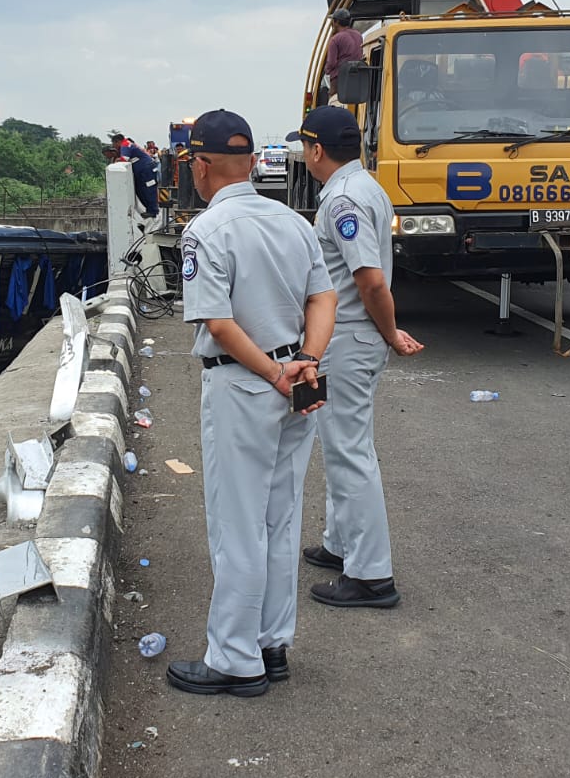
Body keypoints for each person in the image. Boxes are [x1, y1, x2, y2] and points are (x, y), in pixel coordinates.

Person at [168, 108, 337, 698]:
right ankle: (271, 643)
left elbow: (218, 323)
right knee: (280, 518)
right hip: (299, 376)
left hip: (245, 383)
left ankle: (235, 659)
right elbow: (323, 298)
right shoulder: (293, 221)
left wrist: (272, 374)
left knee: (237, 523)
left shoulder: (206, 230)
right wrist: (306, 361)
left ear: (201, 165)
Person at [286, 105, 423, 610]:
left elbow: (370, 281)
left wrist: (389, 332)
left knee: (349, 452)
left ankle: (370, 575)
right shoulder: (365, 187)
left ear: (316, 150)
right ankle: (340, 544)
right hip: (349, 337)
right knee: (339, 445)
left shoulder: (342, 200)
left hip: (346, 339)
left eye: (305, 146)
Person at [110, 132, 158, 216]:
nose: (113, 146)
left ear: (117, 142)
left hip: (146, 170)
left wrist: (116, 161)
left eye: (113, 144)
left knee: (148, 189)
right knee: (140, 190)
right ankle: (150, 210)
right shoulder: (128, 144)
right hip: (144, 170)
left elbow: (124, 159)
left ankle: (153, 211)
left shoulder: (125, 145)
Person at [321, 8, 363, 105]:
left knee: (333, 102)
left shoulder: (335, 39)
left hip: (339, 78)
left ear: (337, 22)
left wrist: (327, 69)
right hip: (357, 76)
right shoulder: (358, 36)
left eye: (333, 21)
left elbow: (331, 63)